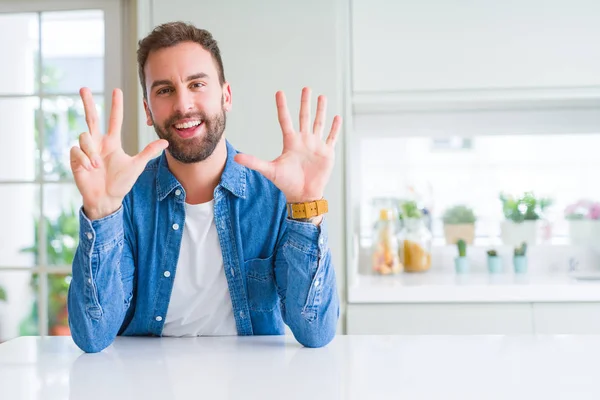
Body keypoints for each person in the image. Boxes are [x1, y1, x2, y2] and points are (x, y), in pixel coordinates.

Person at [66, 21, 342, 353]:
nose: (183, 105)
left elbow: (316, 332)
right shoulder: (123, 199)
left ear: (226, 96)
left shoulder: (277, 196)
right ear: (148, 111)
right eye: (165, 90)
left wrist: (307, 204)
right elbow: (93, 337)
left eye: (197, 84)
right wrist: (101, 212)